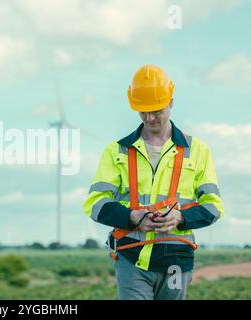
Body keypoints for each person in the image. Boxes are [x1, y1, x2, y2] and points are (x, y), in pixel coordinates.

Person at [83, 64, 224, 300]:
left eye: (156, 110)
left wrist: (180, 218)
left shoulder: (198, 150)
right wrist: (132, 218)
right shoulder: (116, 151)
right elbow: (94, 204)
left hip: (177, 261)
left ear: (171, 102)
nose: (149, 118)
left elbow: (213, 207)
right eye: (142, 111)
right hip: (132, 258)